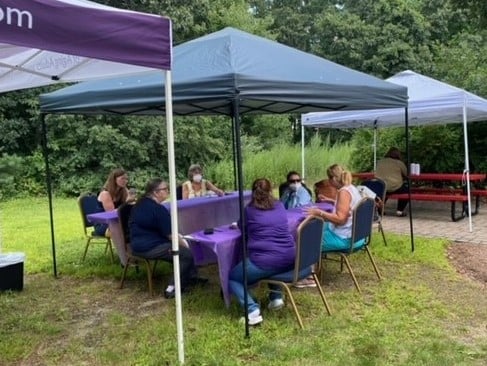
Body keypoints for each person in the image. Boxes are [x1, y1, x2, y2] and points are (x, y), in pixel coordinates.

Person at [229, 178, 295, 326]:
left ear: (253, 193)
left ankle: (252, 311)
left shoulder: (249, 210)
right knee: (271, 266)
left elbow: (242, 227)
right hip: (290, 258)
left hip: (265, 260)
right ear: (271, 191)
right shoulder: (279, 206)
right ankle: (276, 298)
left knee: (233, 278)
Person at [129, 178, 206, 299]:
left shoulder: (140, 203)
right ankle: (171, 289)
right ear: (155, 192)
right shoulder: (158, 209)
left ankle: (191, 278)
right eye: (165, 189)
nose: (168, 191)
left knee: (185, 248)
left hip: (137, 243)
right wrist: (185, 244)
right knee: (185, 253)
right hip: (149, 247)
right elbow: (171, 235)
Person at [304, 164, 365, 252]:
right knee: (317, 227)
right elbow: (348, 206)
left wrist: (318, 212)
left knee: (305, 240)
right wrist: (330, 200)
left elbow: (340, 219)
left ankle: (311, 265)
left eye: (329, 178)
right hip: (358, 236)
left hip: (346, 239)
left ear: (333, 179)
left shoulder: (343, 192)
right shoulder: (351, 187)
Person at [94, 168, 136, 236]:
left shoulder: (124, 190)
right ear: (114, 179)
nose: (125, 181)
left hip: (118, 222)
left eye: (126, 179)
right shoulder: (105, 193)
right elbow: (112, 214)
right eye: (122, 178)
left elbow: (130, 207)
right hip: (104, 224)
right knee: (128, 229)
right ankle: (123, 246)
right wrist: (126, 203)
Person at [375, 147, 409, 217]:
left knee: (384, 192)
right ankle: (400, 211)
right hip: (395, 186)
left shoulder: (380, 162)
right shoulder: (399, 163)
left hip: (380, 186)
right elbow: (406, 174)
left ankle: (381, 210)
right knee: (406, 191)